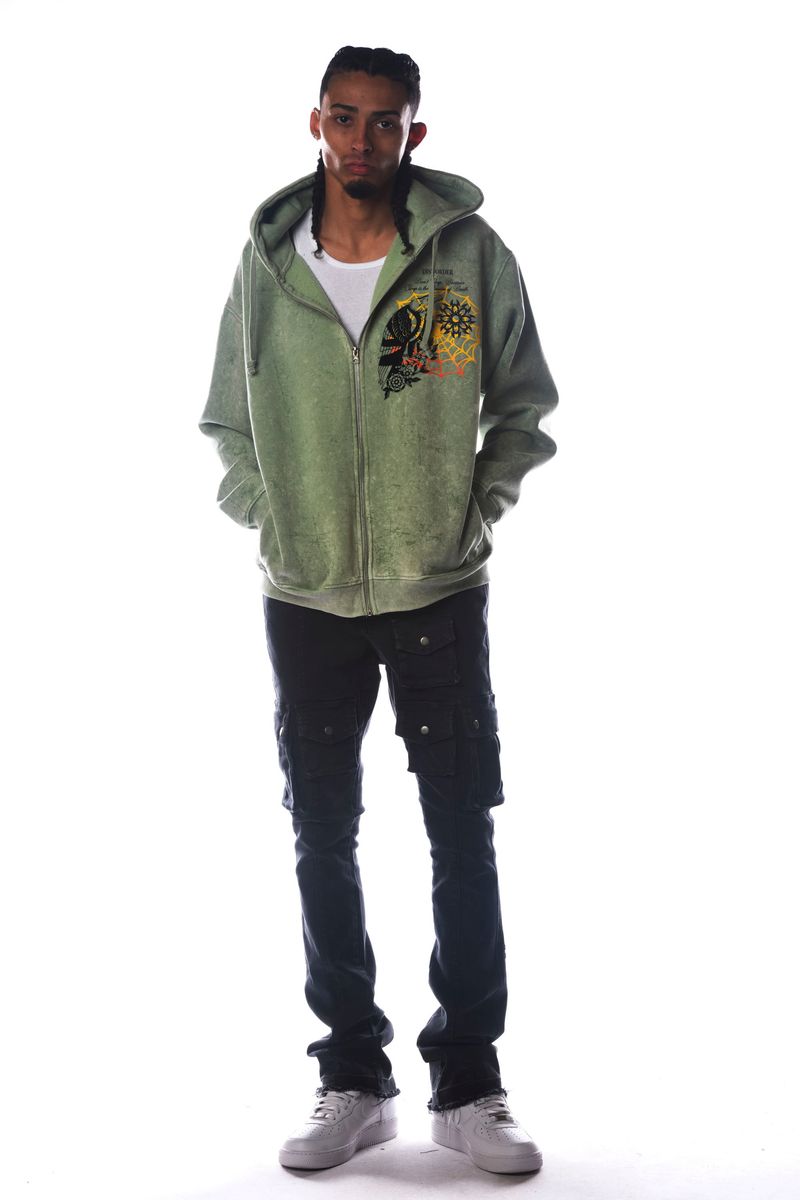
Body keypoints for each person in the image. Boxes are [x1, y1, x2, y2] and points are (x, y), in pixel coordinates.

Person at [198, 45, 558, 1175]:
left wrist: (466, 514)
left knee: (461, 830)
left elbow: (522, 407)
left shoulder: (466, 258)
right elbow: (224, 420)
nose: (363, 140)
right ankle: (352, 1077)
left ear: (414, 132)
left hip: (438, 592)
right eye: (344, 118)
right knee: (322, 832)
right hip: (305, 597)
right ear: (315, 122)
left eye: (385, 121)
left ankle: (470, 1085)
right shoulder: (270, 262)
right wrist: (271, 519)